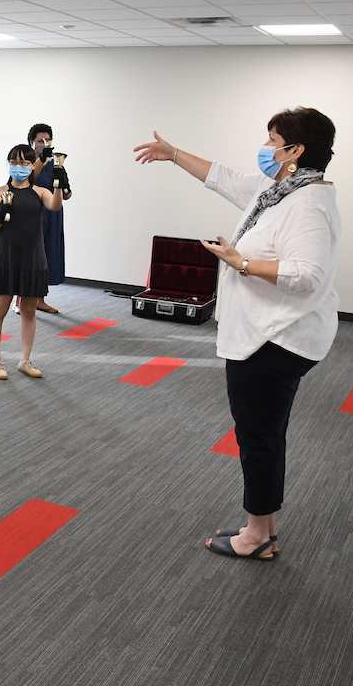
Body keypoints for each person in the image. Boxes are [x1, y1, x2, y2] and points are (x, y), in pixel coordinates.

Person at [133, 107, 341, 561]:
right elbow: (222, 177)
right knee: (263, 433)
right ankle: (261, 525)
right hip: (264, 334)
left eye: (272, 140)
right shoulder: (280, 190)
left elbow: (306, 274)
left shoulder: (307, 203)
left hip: (276, 340)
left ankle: (257, 536)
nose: (265, 149)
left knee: (259, 436)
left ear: (296, 150)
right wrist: (171, 154)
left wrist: (239, 262)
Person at [0, 144, 62, 380]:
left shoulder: (40, 192)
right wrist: (0, 218)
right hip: (5, 257)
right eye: (15, 163)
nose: (19, 167)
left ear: (31, 165)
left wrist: (57, 183)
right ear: (9, 164)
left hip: (33, 259)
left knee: (28, 311)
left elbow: (55, 205)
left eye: (25, 163)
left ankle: (25, 361)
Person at [25, 122, 71, 314]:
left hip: (52, 215)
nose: (43, 144)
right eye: (39, 141)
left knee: (46, 257)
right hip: (33, 215)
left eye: (46, 140)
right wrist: (41, 160)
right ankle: (21, 301)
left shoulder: (54, 164)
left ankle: (40, 300)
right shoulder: (25, 161)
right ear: (31, 142)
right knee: (30, 258)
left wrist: (63, 184)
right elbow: (26, 180)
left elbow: (67, 195)